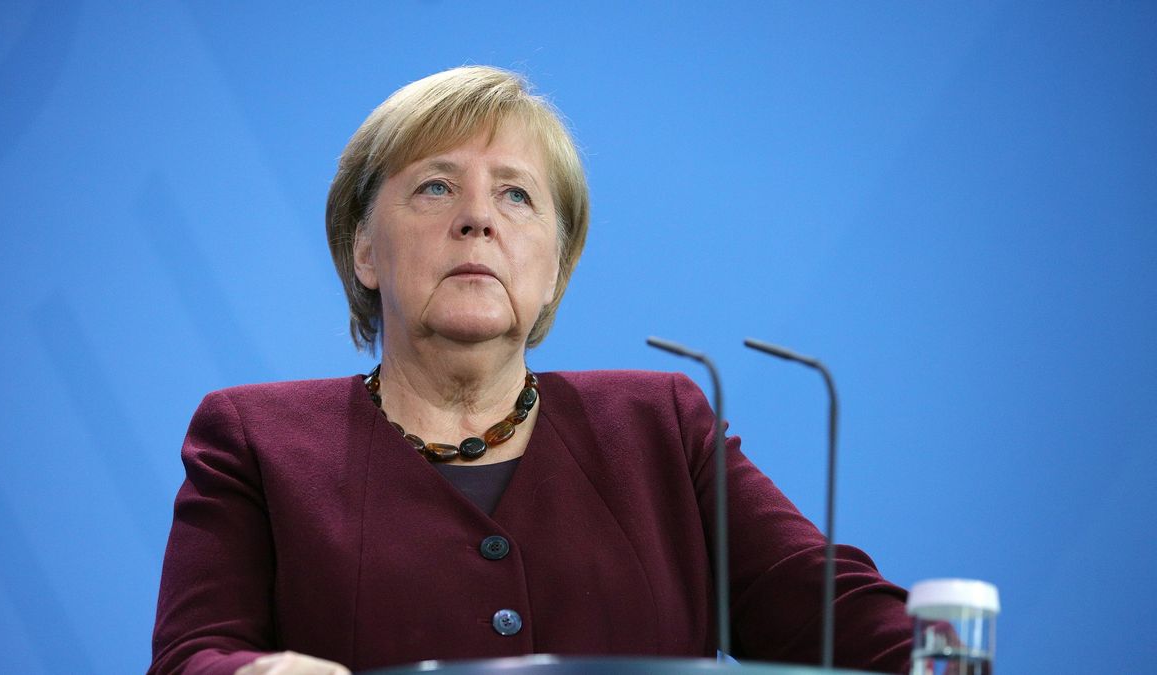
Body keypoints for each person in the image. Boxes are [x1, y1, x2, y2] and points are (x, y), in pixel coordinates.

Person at [149, 66, 913, 675]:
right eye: (436, 186)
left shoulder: (662, 427)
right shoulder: (255, 440)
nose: (477, 217)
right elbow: (193, 656)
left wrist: (944, 650)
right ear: (365, 250)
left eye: (516, 195)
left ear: (556, 267)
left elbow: (829, 611)